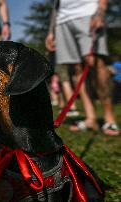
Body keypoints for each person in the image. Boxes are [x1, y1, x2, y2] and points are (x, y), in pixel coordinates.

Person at [45, 0, 120, 136]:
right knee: (76, 68)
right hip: (62, 21)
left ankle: (109, 118)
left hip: (88, 13)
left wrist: (100, 13)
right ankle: (90, 118)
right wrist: (51, 31)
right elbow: (56, 4)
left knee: (95, 63)